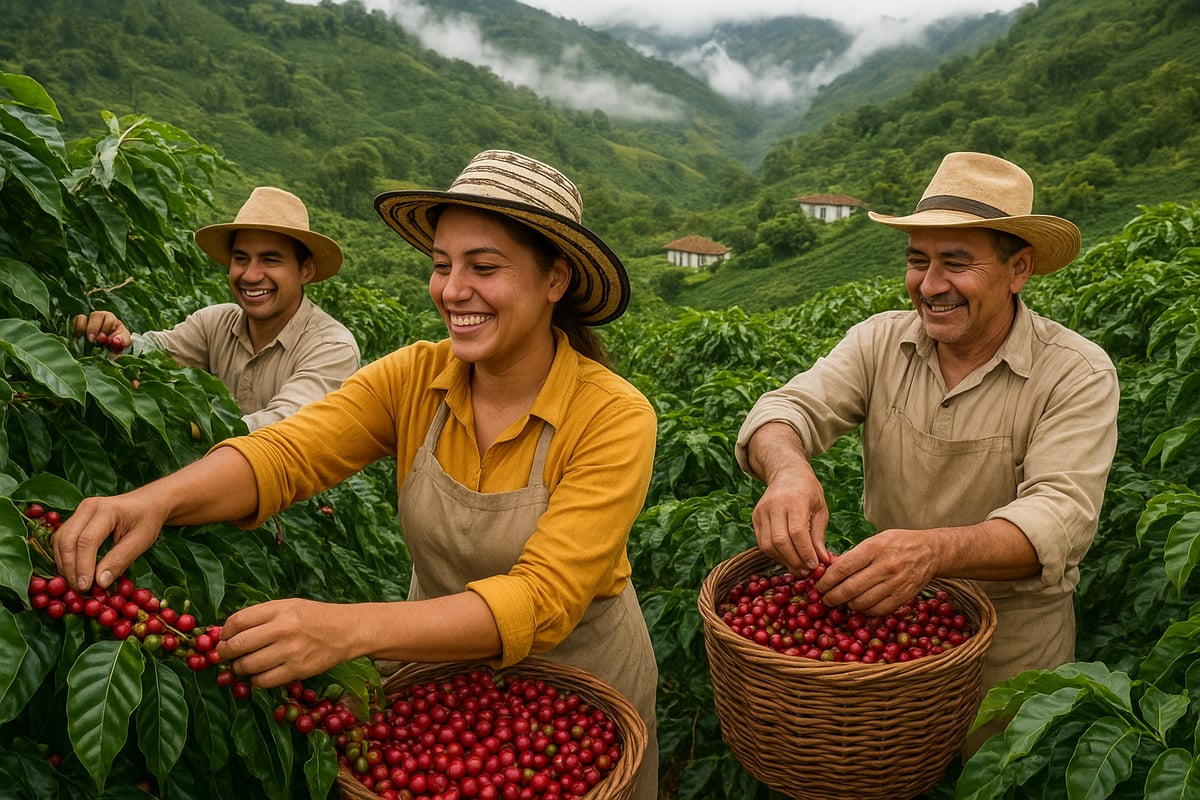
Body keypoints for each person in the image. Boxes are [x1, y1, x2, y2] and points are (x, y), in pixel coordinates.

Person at [54, 150, 660, 798]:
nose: (453, 290)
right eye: (441, 266)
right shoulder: (414, 378)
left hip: (583, 700)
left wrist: (345, 629)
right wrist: (154, 501)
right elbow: (287, 453)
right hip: (434, 678)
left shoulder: (612, 416)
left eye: (484, 267)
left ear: (555, 280)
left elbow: (543, 599)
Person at [735, 151, 1119, 746]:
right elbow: (784, 411)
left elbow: (1059, 520)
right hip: (886, 628)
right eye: (919, 260)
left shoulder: (1075, 373)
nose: (931, 284)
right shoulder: (879, 342)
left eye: (957, 263)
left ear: (1018, 269)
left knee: (995, 778)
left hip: (1011, 654)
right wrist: (787, 471)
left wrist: (931, 552)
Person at [72, 186, 361, 430]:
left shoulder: (330, 347)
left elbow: (284, 427)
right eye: (241, 258)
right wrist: (117, 341)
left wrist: (196, 425)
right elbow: (154, 352)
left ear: (306, 270)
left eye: (271, 260)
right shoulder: (215, 323)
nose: (250, 275)